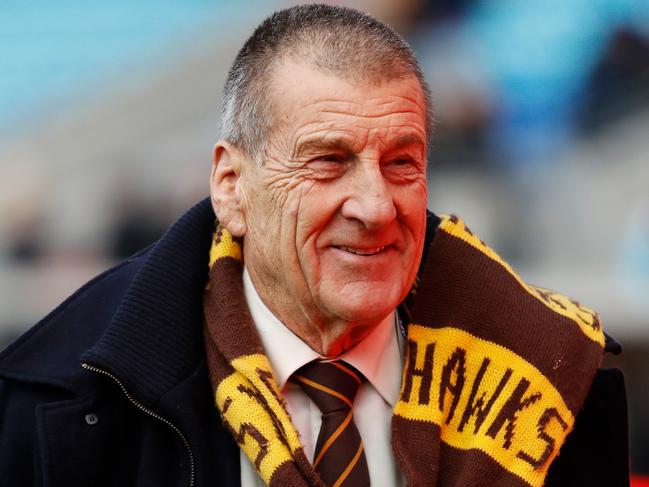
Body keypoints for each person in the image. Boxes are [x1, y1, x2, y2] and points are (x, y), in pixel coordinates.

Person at [0, 4, 629, 487]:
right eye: (328, 162)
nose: (377, 206)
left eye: (402, 163)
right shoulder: (64, 402)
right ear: (231, 187)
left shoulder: (552, 376)